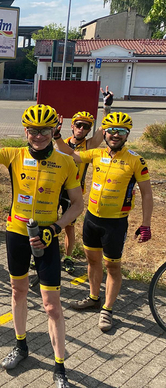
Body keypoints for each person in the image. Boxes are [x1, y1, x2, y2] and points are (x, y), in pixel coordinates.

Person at [0, 89, 84, 388]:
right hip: (17, 232)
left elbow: (78, 204)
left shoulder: (67, 163)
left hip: (47, 236)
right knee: (17, 292)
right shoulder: (15, 155)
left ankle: (60, 366)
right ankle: (21, 345)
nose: (38, 136)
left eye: (44, 130)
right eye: (33, 130)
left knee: (52, 306)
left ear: (54, 129)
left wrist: (56, 228)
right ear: (26, 131)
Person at [56, 112, 153, 333]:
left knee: (113, 266)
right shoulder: (97, 153)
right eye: (111, 130)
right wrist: (57, 135)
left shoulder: (136, 160)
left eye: (121, 131)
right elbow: (71, 153)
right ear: (105, 133)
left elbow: (147, 194)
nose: (115, 135)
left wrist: (146, 223)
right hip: (92, 218)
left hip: (116, 223)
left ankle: (107, 309)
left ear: (127, 135)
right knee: (92, 261)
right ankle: (93, 298)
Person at [53, 111, 103, 274]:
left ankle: (68, 257)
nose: (81, 129)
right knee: (48, 222)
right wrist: (56, 134)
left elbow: (103, 131)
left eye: (86, 126)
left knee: (68, 226)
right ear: (72, 126)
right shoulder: (61, 141)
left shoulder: (88, 146)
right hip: (55, 190)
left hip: (74, 192)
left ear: (89, 130)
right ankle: (44, 254)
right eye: (78, 125)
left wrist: (107, 108)